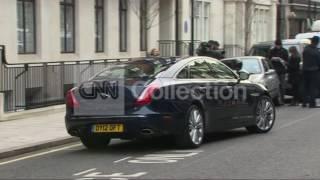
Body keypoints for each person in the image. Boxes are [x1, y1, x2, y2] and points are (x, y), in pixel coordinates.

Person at [302, 36, 320, 108]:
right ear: (317, 42)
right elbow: (319, 61)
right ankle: (312, 104)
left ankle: (304, 102)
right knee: (313, 87)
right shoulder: (315, 51)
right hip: (314, 71)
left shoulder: (306, 49)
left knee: (305, 86)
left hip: (305, 70)